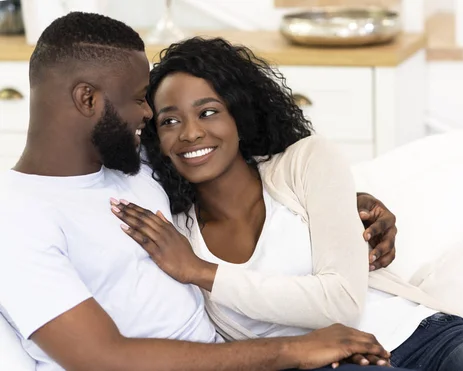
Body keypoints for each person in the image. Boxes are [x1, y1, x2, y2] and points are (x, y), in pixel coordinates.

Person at [112, 36, 463, 371]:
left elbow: (342, 301)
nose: (190, 133)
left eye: (208, 111)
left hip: (425, 336)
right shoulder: (174, 228)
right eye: (170, 120)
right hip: (333, 366)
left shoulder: (305, 162)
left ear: (238, 113)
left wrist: (201, 272)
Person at [0, 12, 405, 371]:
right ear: (87, 98)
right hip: (263, 356)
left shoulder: (131, 158)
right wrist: (292, 350)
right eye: (140, 99)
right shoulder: (17, 221)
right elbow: (103, 358)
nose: (149, 114)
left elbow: (225, 160)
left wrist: (345, 203)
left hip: (247, 351)